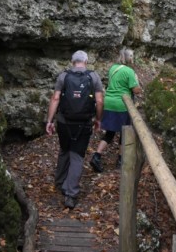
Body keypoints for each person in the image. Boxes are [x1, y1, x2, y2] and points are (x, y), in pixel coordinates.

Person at [46, 50, 104, 209]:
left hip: (64, 122)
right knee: (77, 155)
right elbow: (99, 101)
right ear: (86, 61)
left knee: (64, 150)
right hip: (84, 123)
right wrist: (98, 120)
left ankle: (59, 181)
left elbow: (56, 98)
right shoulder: (94, 77)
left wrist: (49, 121)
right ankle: (70, 194)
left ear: (73, 61)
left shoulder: (63, 76)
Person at [90, 47, 141, 173]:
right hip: (122, 105)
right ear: (128, 58)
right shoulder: (129, 71)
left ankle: (97, 155)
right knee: (124, 133)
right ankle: (120, 160)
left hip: (109, 102)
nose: (133, 59)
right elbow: (136, 90)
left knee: (110, 132)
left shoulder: (113, 68)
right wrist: (137, 80)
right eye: (132, 56)